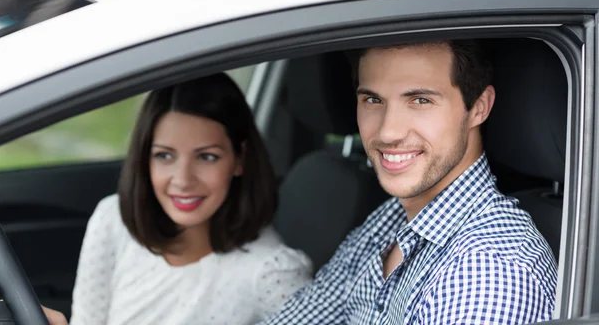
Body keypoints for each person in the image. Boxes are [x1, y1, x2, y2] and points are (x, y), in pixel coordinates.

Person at [44, 39, 558, 324]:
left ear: (479, 107)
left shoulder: (490, 268)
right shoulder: (392, 223)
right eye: (372, 99)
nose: (387, 131)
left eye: (420, 99)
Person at [65, 73, 312, 325]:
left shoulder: (271, 272)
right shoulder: (113, 220)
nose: (183, 180)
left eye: (207, 157)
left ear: (239, 159)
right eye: (164, 156)